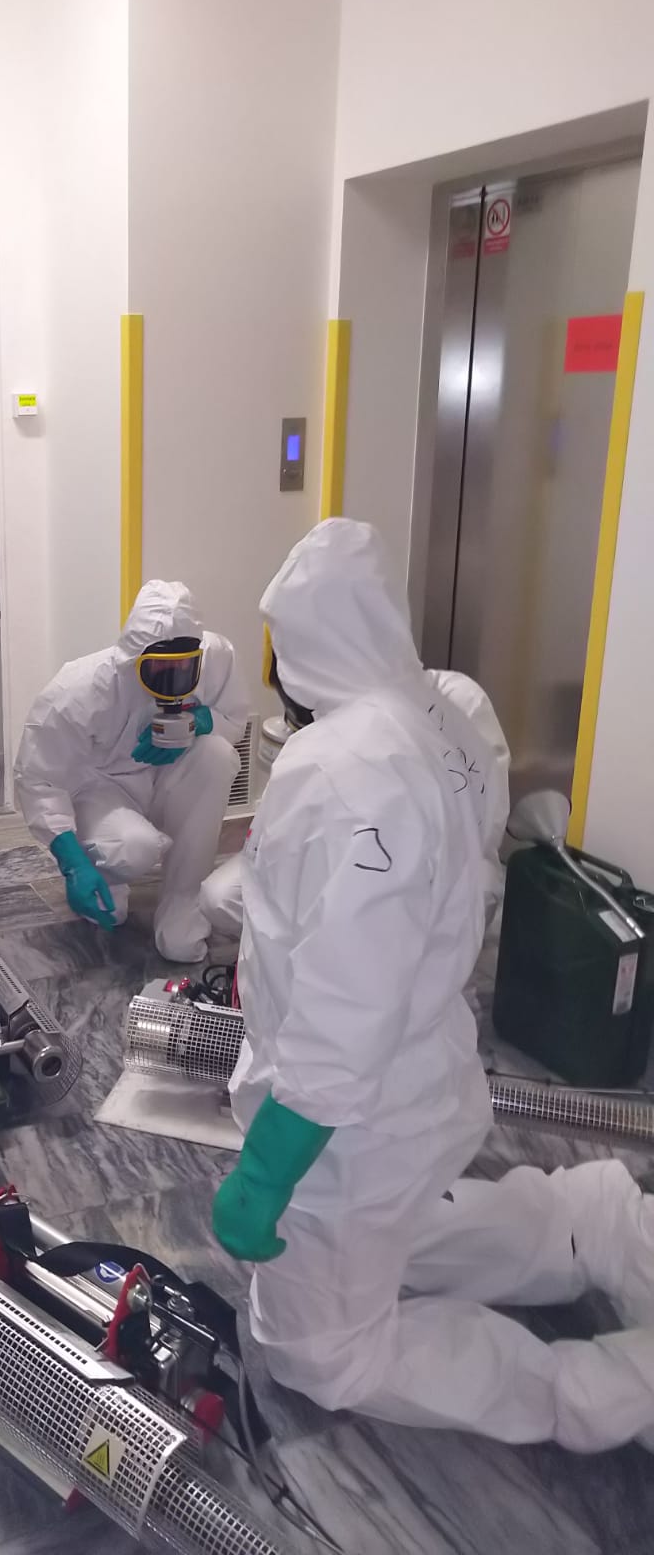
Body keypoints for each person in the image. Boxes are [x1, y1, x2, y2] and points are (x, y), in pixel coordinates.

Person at [211, 517, 654, 1451]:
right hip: (421, 1075)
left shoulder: (342, 767)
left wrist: (270, 1164)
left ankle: (610, 1392)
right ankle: (592, 1226)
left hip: (350, 1118)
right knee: (393, 1229)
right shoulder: (443, 712)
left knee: (321, 1351)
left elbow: (350, 993)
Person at [14, 580, 250, 963]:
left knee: (217, 755)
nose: (171, 677)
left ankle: (183, 907)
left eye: (182, 667)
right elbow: (39, 776)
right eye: (159, 668)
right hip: (103, 789)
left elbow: (234, 718)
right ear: (133, 658)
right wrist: (71, 862)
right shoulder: (81, 688)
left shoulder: (217, 657)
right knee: (132, 849)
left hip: (171, 778)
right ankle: (104, 876)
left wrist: (202, 722)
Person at [200, 663, 512, 940]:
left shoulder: (454, 699)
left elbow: (486, 821)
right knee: (222, 898)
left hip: (427, 862)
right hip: (332, 851)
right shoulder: (324, 701)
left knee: (460, 898)